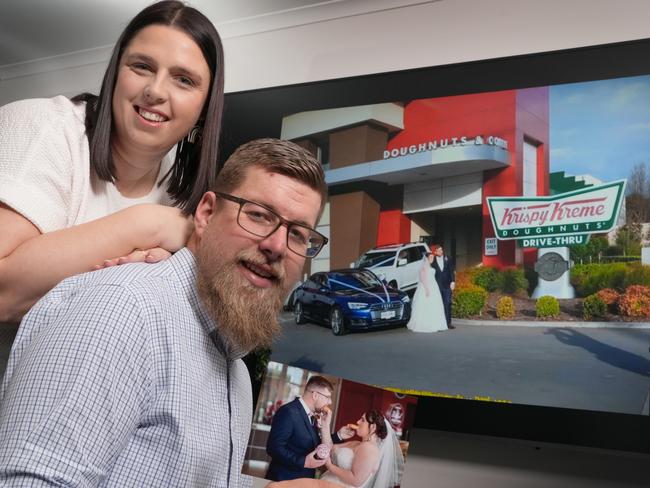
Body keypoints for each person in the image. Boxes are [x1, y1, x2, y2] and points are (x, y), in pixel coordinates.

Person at [0, 138, 329, 487]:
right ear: (205, 214)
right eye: (258, 215)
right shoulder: (123, 310)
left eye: (297, 234)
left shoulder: (236, 375)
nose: (277, 246)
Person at [0, 0, 225, 324]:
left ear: (204, 110)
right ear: (115, 73)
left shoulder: (182, 191)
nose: (155, 90)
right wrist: (148, 226)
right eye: (142, 66)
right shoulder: (40, 126)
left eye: (184, 80)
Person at [266, 410, 405, 488]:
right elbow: (329, 449)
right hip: (325, 483)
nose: (357, 422)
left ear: (373, 427)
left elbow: (356, 480)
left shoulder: (369, 449)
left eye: (362, 420)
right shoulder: (357, 444)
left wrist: (329, 465)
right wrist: (327, 426)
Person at [266, 376, 354, 482]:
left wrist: (338, 435)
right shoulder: (289, 412)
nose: (330, 402)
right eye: (327, 397)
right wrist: (303, 462)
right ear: (315, 395)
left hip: (303, 480)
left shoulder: (313, 415)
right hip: (284, 480)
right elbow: (273, 448)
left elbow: (313, 443)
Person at [406, 252, 447, 333]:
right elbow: (422, 279)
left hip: (434, 286)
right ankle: (425, 324)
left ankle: (436, 323)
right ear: (427, 258)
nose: (432, 259)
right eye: (431, 257)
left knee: (435, 305)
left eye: (433, 257)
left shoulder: (431, 266)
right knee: (425, 304)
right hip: (427, 287)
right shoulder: (424, 267)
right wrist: (426, 289)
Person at [431, 244, 456, 329]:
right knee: (438, 304)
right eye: (439, 250)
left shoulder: (448, 258)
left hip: (447, 285)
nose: (441, 251)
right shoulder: (432, 260)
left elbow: (452, 271)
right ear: (435, 251)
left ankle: (448, 323)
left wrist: (453, 282)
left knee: (448, 303)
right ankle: (439, 322)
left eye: (442, 250)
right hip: (437, 286)